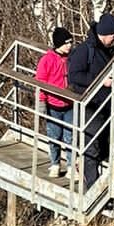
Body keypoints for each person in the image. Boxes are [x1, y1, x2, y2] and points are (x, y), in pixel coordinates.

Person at [67, 13, 114, 189]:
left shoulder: (113, 49)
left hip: (108, 107)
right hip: (90, 106)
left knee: (107, 147)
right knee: (91, 148)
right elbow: (74, 76)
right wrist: (101, 81)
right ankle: (92, 190)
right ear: (105, 33)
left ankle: (103, 186)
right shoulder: (85, 50)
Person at [35, 27, 74, 177]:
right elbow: (40, 82)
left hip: (70, 103)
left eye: (71, 42)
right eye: (66, 43)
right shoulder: (47, 60)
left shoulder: (71, 58)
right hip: (53, 104)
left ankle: (71, 166)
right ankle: (55, 164)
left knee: (70, 136)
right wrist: (41, 102)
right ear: (58, 44)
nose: (69, 46)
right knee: (54, 135)